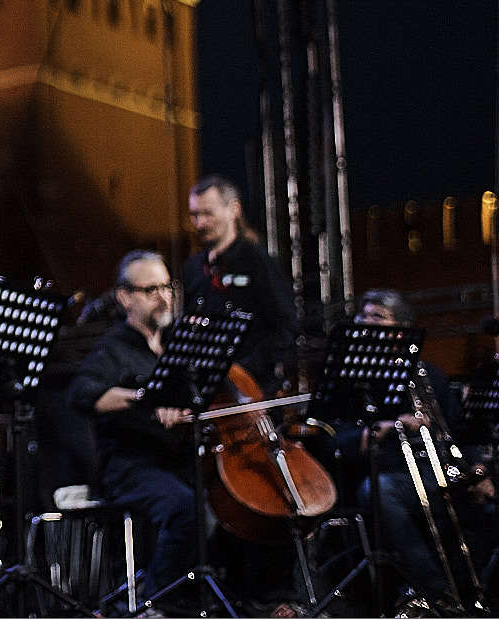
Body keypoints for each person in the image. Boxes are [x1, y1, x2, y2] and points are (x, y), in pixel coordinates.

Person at [330, 289, 488, 609]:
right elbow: (334, 435)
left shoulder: (429, 375)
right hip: (384, 472)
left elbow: (460, 432)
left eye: (377, 317)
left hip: (436, 470)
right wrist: (386, 429)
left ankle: (474, 593)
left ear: (400, 329)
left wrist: (479, 473)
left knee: (484, 508)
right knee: (380, 490)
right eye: (362, 316)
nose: (365, 323)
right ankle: (436, 590)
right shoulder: (345, 378)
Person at [68, 250, 196, 604]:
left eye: (167, 286)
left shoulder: (180, 344)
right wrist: (146, 398)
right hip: (131, 466)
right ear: (125, 297)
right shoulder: (112, 349)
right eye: (151, 289)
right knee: (185, 508)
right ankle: (155, 602)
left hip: (179, 459)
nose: (163, 296)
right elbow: (83, 394)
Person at [184, 175, 298, 391]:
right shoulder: (193, 267)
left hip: (254, 385)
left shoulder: (257, 261)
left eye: (208, 213)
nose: (200, 223)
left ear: (233, 209)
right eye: (195, 215)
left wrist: (244, 369)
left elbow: (286, 327)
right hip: (210, 389)